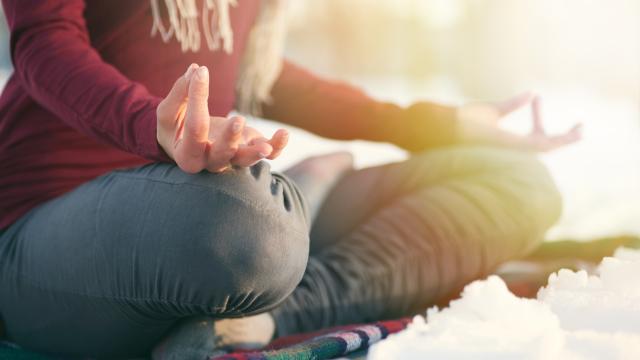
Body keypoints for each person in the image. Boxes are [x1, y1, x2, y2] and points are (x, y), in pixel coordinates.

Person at [0, 0, 581, 358]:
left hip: (216, 213)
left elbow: (263, 75)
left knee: (518, 181)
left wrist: (447, 123)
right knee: (250, 232)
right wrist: (155, 129)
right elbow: (43, 42)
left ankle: (268, 314)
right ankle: (286, 215)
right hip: (48, 235)